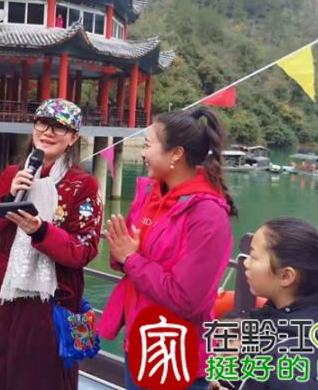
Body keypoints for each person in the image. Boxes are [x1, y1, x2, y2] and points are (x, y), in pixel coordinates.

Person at [0, 99, 103, 390]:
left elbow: (83, 250)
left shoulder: (83, 185)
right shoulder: (12, 175)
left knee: (40, 377)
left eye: (58, 128)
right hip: (3, 295)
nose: (47, 133)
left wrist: (41, 232)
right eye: (42, 124)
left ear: (73, 137)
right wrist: (8, 197)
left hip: (52, 300)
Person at [96, 107, 236, 390]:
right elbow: (123, 256)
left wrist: (131, 259)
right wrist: (124, 255)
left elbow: (187, 298)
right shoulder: (150, 194)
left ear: (176, 154)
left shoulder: (207, 215)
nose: (143, 153)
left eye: (148, 145)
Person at [242, 217, 318, 389]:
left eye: (253, 257)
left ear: (286, 276)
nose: (245, 263)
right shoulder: (282, 316)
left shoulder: (297, 373)